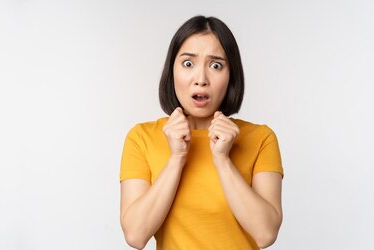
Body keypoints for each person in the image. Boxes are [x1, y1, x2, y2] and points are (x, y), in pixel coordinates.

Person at [120, 15, 284, 250]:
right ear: (172, 70)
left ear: (231, 75)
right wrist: (176, 158)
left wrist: (222, 159)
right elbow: (135, 235)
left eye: (216, 65)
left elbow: (265, 233)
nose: (201, 79)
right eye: (188, 63)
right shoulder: (141, 138)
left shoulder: (260, 138)